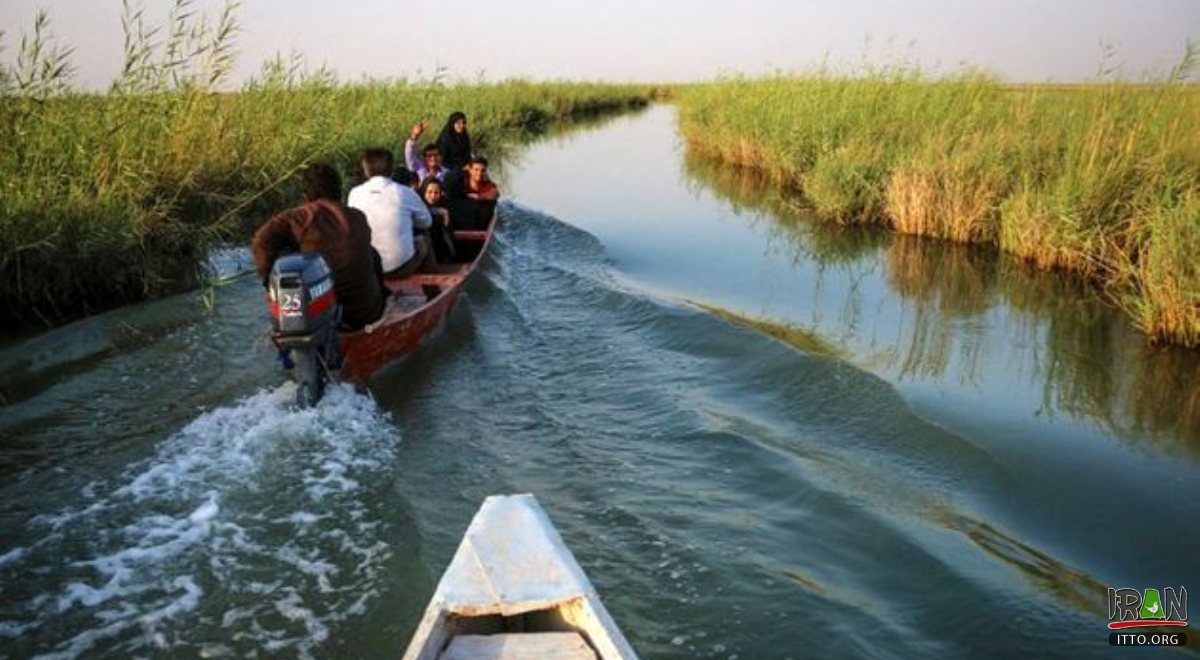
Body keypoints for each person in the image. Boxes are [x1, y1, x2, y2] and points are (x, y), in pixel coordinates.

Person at [251, 163, 385, 330]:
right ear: (339, 190)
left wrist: (271, 286)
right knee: (372, 254)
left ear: (306, 195)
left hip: (319, 317)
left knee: (288, 259)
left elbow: (260, 241)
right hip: (366, 314)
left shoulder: (300, 217)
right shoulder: (358, 217)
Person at [347, 148, 432, 277]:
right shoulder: (405, 192)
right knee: (423, 241)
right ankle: (434, 290)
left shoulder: (354, 193)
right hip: (401, 267)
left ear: (366, 169)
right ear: (391, 169)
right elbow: (426, 222)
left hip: (368, 267)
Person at [419, 176, 457, 262]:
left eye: (436, 193)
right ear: (424, 192)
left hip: (442, 253)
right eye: (429, 192)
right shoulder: (418, 208)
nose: (433, 196)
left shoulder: (445, 207)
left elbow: (448, 233)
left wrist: (446, 216)